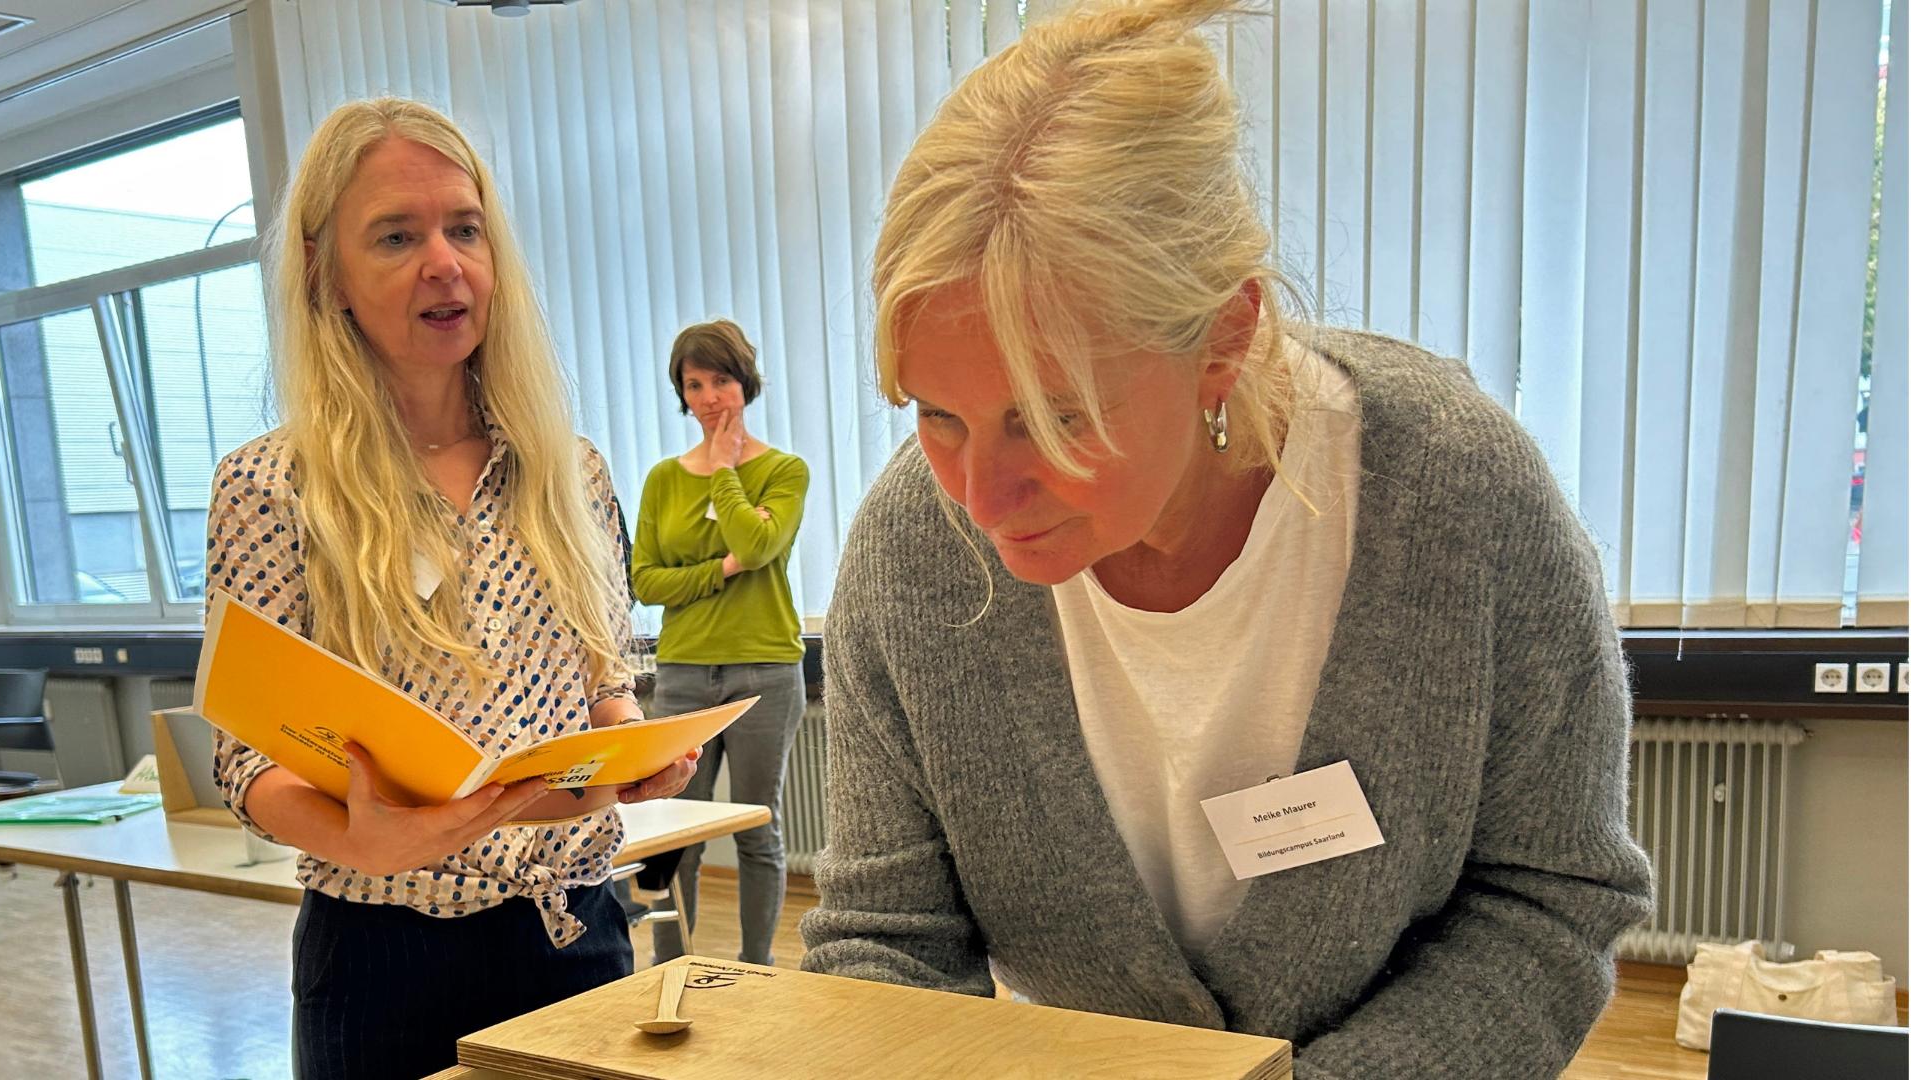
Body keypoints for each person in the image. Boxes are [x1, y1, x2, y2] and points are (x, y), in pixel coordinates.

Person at [797, 3, 1654, 1077]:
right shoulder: (909, 560)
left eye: (1055, 417)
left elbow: (1547, 899)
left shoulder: (1455, 496)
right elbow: (886, 941)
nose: (979, 494)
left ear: (1227, 336)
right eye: (935, 415)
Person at [206, 97, 697, 1080]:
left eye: (464, 228)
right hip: (380, 949)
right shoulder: (272, 487)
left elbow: (606, 679)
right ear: (326, 274)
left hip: (572, 927)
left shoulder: (572, 472)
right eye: (396, 236)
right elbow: (244, 760)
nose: (445, 264)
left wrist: (634, 749)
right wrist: (360, 837)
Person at [630, 320, 809, 966]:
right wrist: (724, 570)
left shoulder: (785, 472)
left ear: (745, 383)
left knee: (759, 829)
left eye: (722, 380)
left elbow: (761, 543)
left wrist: (727, 472)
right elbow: (645, 579)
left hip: (766, 670)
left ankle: (758, 969)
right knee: (678, 835)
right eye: (695, 383)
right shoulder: (661, 481)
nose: (709, 397)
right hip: (682, 676)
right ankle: (674, 969)